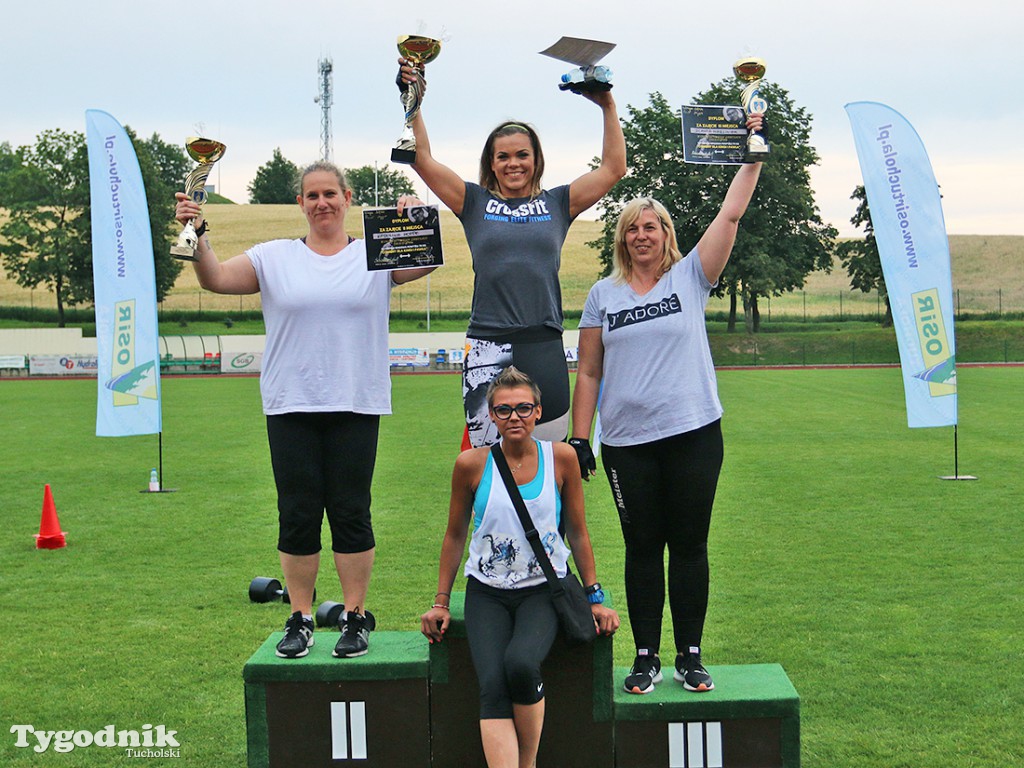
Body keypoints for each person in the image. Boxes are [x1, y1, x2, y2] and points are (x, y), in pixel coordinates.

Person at [174, 163, 434, 660]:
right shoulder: (274, 257)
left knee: (352, 513)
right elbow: (217, 279)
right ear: (301, 203)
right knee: (296, 515)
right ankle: (300, 617)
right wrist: (198, 235)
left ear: (348, 197)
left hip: (356, 402)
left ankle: (355, 617)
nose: (322, 203)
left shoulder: (373, 253)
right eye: (312, 195)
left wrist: (414, 218)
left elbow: (425, 261)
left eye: (330, 193)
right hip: (291, 404)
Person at [569, 145, 763, 695]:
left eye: (651, 227)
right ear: (622, 239)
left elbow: (729, 215)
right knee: (642, 548)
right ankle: (646, 656)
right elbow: (587, 372)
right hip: (629, 445)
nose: (642, 236)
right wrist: (580, 437)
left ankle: (691, 655)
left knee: (691, 545)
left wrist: (752, 158)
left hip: (694, 434)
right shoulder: (602, 296)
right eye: (633, 229)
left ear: (667, 235)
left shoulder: (692, 278)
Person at [398, 59, 626, 448]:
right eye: (503, 156)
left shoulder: (559, 203)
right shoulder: (472, 201)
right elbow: (422, 159)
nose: (513, 163)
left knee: (550, 458)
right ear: (491, 162)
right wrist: (414, 98)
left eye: (522, 154)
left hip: (543, 342)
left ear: (536, 160)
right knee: (489, 464)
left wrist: (607, 105)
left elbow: (613, 168)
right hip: (487, 341)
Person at [421, 366, 619, 768]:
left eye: (523, 408)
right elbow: (455, 535)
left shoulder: (561, 458)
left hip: (543, 589)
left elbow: (578, 533)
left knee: (521, 663)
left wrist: (594, 596)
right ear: (491, 416)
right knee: (492, 685)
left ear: (539, 412)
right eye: (504, 410)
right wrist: (441, 602)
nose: (515, 417)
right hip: (487, 592)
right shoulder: (471, 465)